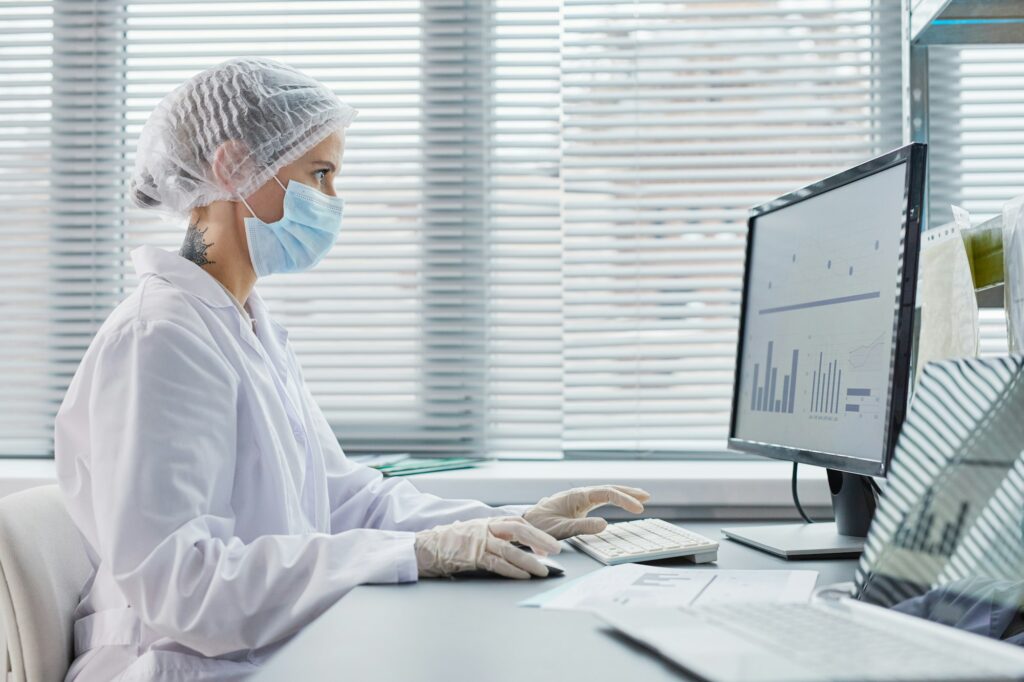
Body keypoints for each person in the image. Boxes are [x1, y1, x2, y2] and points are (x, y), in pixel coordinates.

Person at [54, 57, 651, 682]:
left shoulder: (241, 326)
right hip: (182, 667)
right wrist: (413, 552)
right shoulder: (161, 337)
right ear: (232, 167)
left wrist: (500, 522)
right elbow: (184, 587)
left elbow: (342, 502)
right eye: (319, 174)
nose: (332, 201)